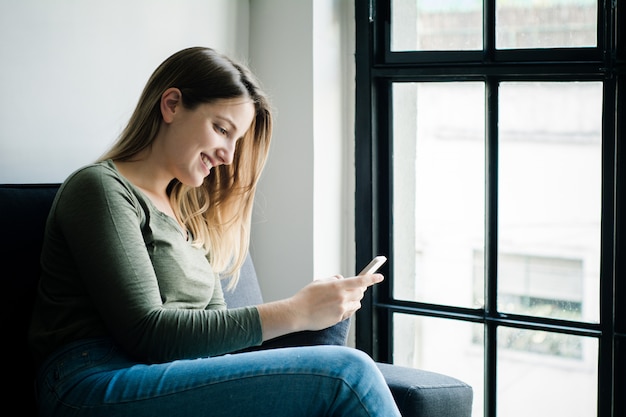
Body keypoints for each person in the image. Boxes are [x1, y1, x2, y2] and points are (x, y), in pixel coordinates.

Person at [28, 46, 402, 417]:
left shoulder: (186, 212)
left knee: (336, 363)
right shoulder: (100, 189)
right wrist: (295, 312)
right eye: (222, 130)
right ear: (172, 104)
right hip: (90, 381)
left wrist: (317, 316)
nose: (228, 155)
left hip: (168, 374)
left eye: (235, 140)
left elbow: (212, 344)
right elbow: (148, 333)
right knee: (348, 374)